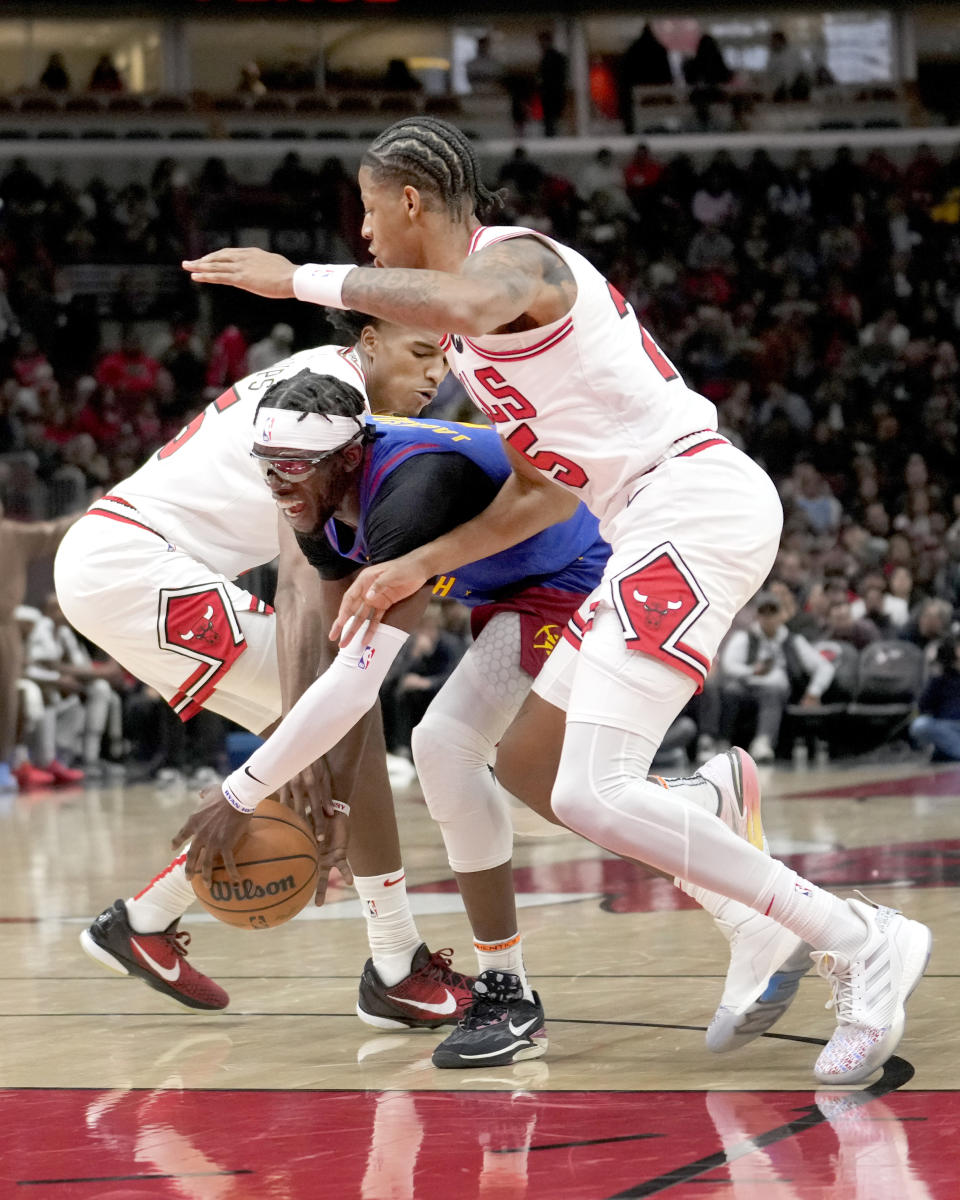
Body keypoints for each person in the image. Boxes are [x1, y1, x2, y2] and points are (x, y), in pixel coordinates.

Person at [181, 115, 933, 1085]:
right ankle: (744, 898)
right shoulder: (477, 353)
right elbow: (542, 492)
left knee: (592, 786)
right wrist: (424, 565)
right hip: (640, 521)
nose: (364, 239)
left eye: (369, 216)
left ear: (411, 202)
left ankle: (859, 936)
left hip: (695, 505)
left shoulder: (522, 265)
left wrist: (298, 279)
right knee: (534, 767)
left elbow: (456, 296)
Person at [169, 371, 782, 1070]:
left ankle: (509, 993)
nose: (277, 484)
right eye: (267, 466)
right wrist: (327, 795)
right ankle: (701, 805)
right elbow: (338, 657)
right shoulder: (314, 497)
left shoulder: (410, 494)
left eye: (292, 469)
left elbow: (358, 678)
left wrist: (241, 790)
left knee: (455, 750)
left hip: (582, 568)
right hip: (516, 587)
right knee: (503, 769)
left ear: (345, 458)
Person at [59, 319, 469, 1021]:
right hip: (132, 565)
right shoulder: (324, 401)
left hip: (126, 566)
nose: (436, 376)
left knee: (327, 733)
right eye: (422, 353)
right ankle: (395, 963)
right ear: (369, 343)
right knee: (343, 721)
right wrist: (319, 747)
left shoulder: (337, 394)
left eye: (446, 361)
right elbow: (299, 587)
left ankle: (145, 917)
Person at [0, 503, 80, 792]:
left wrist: (93, 510)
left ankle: (3, 765)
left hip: (4, 630)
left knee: (6, 701)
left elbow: (54, 531)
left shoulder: (11, 534)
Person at [714, 589, 834, 763]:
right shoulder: (745, 638)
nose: (768, 618)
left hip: (780, 692)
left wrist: (813, 692)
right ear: (758, 616)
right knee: (729, 690)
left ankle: (764, 741)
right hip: (748, 687)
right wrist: (752, 671)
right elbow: (728, 664)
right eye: (764, 613)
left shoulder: (793, 641)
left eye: (773, 612)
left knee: (773, 690)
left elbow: (824, 667)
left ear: (781, 615)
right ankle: (722, 742)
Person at [910, 636, 960, 761]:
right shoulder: (940, 678)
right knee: (919, 725)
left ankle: (948, 752)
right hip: (945, 726)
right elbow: (923, 705)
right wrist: (936, 676)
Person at [536, 31, 568, 138]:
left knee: (551, 120)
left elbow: (555, 77)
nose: (541, 44)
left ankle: (552, 136)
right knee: (551, 121)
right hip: (552, 95)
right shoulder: (550, 57)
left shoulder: (552, 57)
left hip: (552, 94)